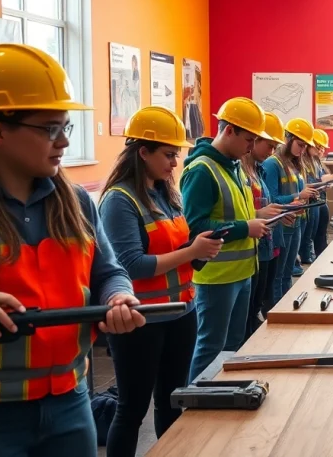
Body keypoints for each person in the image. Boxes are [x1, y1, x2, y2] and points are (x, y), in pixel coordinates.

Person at [0, 44, 143, 456]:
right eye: (50, 129)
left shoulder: (76, 202)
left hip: (69, 406)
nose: (63, 142)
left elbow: (108, 271)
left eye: (66, 127)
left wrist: (117, 295)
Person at [98, 106, 224, 456]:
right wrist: (189, 252)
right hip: (140, 322)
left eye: (176, 155)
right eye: (168, 155)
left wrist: (198, 251)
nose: (174, 163)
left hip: (181, 312)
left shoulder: (165, 194)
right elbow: (130, 265)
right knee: (131, 410)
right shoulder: (119, 200)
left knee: (171, 403)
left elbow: (174, 250)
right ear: (143, 152)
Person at [180, 97, 270, 382]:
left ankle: (222, 401)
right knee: (210, 348)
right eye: (248, 138)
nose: (251, 146)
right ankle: (193, 414)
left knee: (232, 348)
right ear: (228, 130)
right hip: (217, 276)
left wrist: (256, 220)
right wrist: (246, 228)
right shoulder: (202, 170)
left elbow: (236, 212)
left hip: (242, 272)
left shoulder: (234, 165)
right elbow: (195, 227)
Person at [239, 112, 288, 336]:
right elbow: (247, 213)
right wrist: (262, 213)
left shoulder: (258, 169)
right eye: (269, 146)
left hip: (265, 243)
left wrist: (279, 213)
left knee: (257, 300)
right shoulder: (242, 171)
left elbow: (265, 204)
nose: (271, 152)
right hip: (249, 250)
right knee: (249, 306)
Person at [262, 118, 319, 305]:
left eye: (305, 147)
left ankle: (286, 310)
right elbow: (270, 201)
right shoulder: (272, 164)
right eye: (300, 145)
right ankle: (278, 311)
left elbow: (297, 195)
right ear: (288, 139)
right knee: (278, 276)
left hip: (297, 224)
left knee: (288, 274)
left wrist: (307, 195)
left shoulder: (295, 164)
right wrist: (298, 195)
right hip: (282, 226)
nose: (302, 150)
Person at [310, 129, 333, 256]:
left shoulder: (318, 163)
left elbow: (324, 180)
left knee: (321, 234)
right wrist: (324, 180)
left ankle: (321, 254)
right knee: (312, 236)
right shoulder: (305, 163)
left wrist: (331, 180)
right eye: (317, 147)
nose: (320, 151)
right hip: (312, 204)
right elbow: (310, 183)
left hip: (321, 202)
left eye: (322, 148)